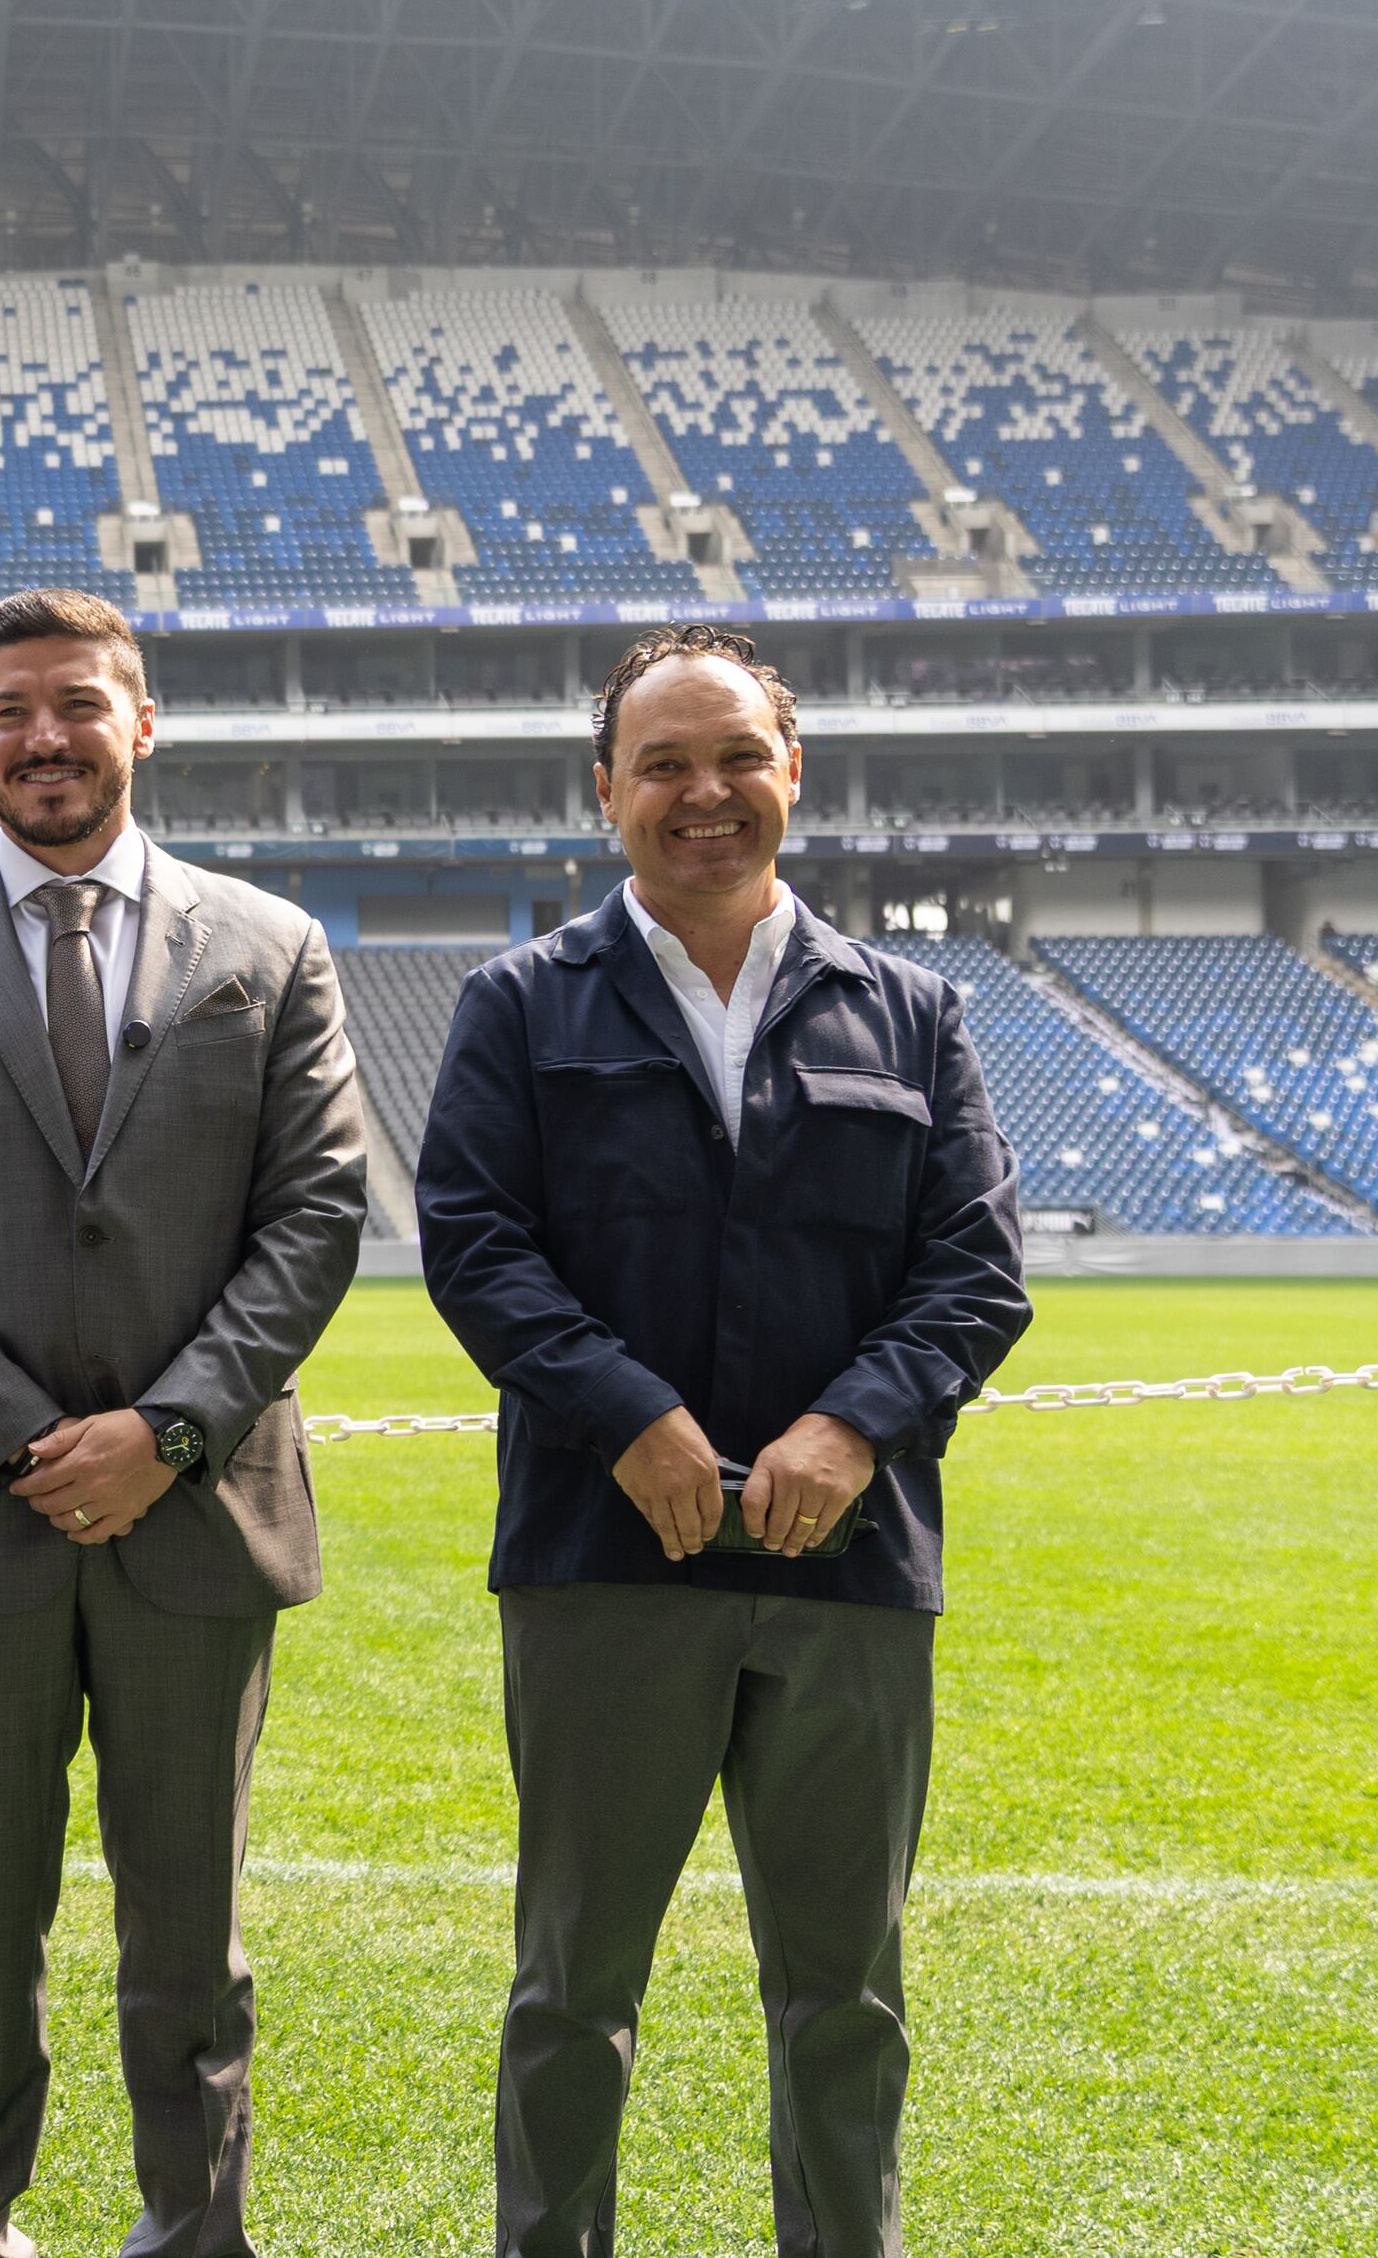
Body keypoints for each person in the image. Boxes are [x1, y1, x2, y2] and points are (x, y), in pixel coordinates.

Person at [415, 624, 1031, 2258]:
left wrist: (853, 1427)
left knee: (844, 1996)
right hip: (604, 1565)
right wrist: (631, 1420)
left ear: (793, 773)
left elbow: (976, 1269)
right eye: (666, 763)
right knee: (572, 1994)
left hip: (850, 1571)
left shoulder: (912, 1011)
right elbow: (474, 1244)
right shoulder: (516, 1005)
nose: (706, 793)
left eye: (738, 756)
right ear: (605, 787)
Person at [0, 587, 375, 2258]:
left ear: (142, 719)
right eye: (9, 711)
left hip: (199, 1522)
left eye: (76, 703)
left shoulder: (268, 948)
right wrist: (31, 1441)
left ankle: (194, 2233)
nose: (44, 738)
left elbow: (315, 1216)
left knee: (189, 1932)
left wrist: (168, 1432)